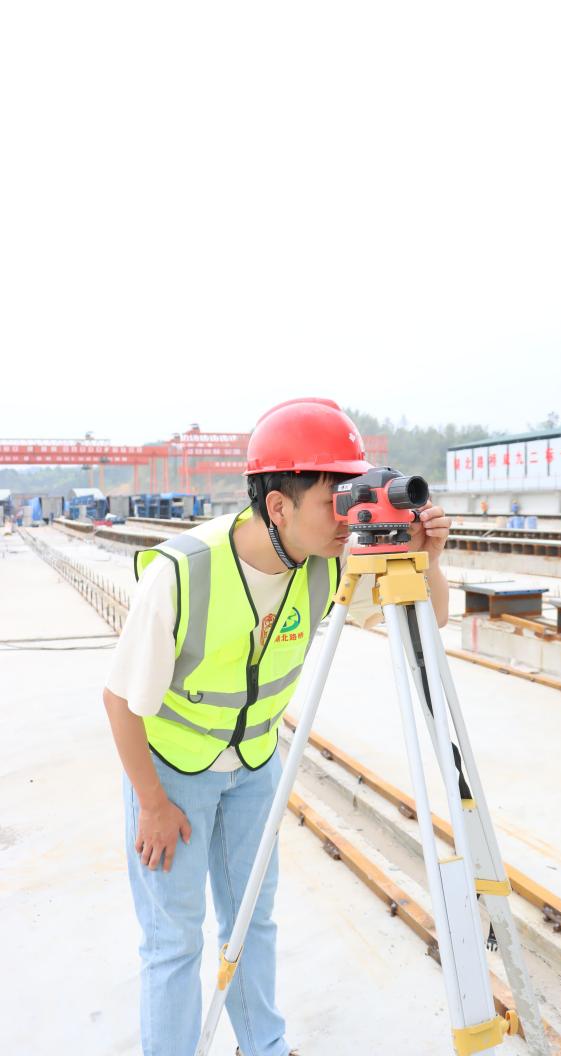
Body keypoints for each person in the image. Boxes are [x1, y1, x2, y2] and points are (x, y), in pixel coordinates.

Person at [103, 398, 451, 1056]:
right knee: (174, 940)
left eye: (352, 496)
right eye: (333, 501)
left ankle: (262, 1045)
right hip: (172, 774)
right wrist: (151, 803)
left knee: (251, 923)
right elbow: (119, 699)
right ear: (278, 506)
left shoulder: (330, 564)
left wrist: (428, 559)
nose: (347, 516)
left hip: (254, 769)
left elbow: (428, 621)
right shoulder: (184, 571)